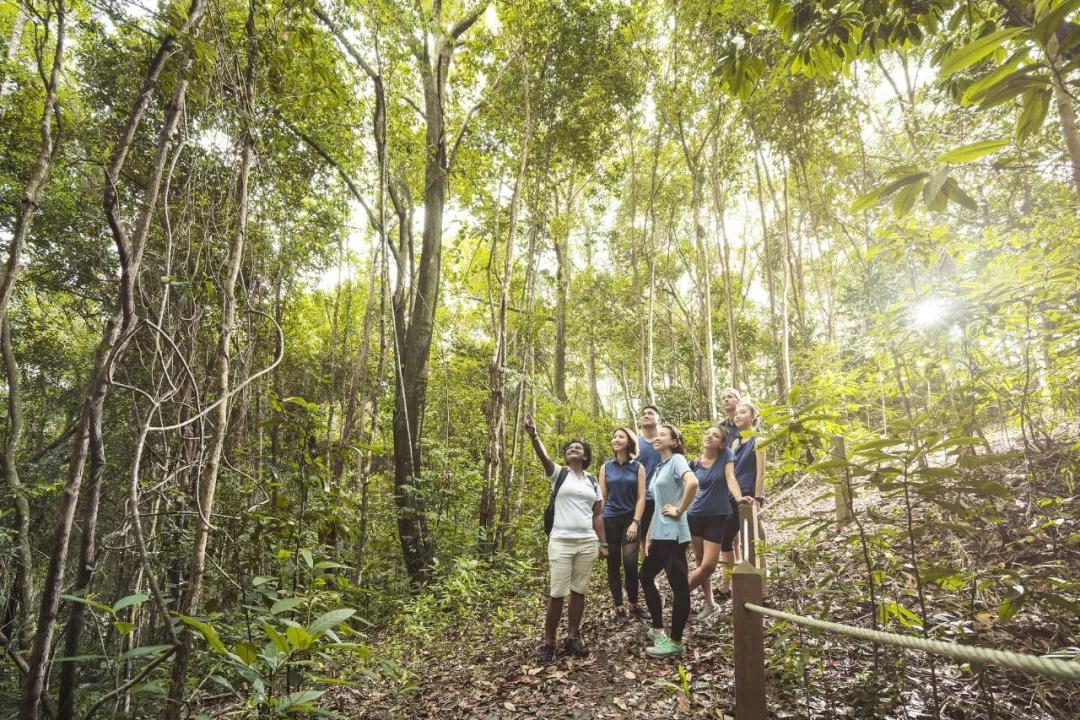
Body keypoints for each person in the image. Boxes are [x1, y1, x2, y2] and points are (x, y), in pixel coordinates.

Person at [524, 413, 607, 663]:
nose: (573, 449)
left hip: (586, 542)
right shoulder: (559, 474)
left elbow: (598, 514)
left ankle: (572, 637)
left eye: (578, 448)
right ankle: (549, 641)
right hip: (561, 541)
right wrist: (534, 435)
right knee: (557, 592)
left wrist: (602, 542)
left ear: (585, 456)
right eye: (570, 448)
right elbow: (544, 458)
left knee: (579, 591)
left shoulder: (593, 481)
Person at [639, 424, 698, 658]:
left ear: (674, 442)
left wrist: (679, 509)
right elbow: (657, 505)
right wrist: (649, 536)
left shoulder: (677, 460)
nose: (657, 437)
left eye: (663, 434)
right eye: (657, 434)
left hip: (673, 535)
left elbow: (692, 483)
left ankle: (675, 641)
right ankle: (657, 629)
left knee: (679, 588)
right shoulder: (659, 468)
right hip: (659, 535)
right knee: (645, 576)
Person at [686, 425, 750, 620]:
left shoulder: (726, 455)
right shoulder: (694, 463)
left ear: (722, 443)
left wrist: (739, 498)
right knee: (699, 559)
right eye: (707, 434)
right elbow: (685, 488)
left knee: (709, 565)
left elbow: (730, 478)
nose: (709, 437)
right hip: (695, 515)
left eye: (715, 435)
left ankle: (680, 593)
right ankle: (709, 603)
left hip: (718, 514)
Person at [598, 428, 647, 624]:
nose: (616, 439)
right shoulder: (605, 467)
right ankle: (619, 607)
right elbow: (602, 496)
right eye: (614, 436)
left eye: (621, 437)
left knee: (630, 564)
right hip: (610, 519)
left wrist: (635, 522)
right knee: (613, 563)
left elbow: (642, 497)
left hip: (630, 520)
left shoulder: (638, 467)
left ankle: (634, 604)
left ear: (629, 442)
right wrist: (598, 525)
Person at [721, 402, 767, 587]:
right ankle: (726, 584)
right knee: (726, 540)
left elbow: (760, 472)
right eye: (736, 413)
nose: (737, 415)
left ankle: (762, 588)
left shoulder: (758, 440)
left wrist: (758, 499)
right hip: (733, 496)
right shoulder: (734, 442)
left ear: (753, 417)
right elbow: (730, 472)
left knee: (757, 542)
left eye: (743, 412)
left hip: (749, 496)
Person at [634, 405, 662, 620]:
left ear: (658, 418)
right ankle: (650, 580)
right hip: (642, 499)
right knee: (644, 540)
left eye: (650, 413)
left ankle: (660, 575)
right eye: (643, 414)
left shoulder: (664, 438)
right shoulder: (636, 443)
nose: (646, 416)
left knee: (660, 538)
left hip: (662, 497)